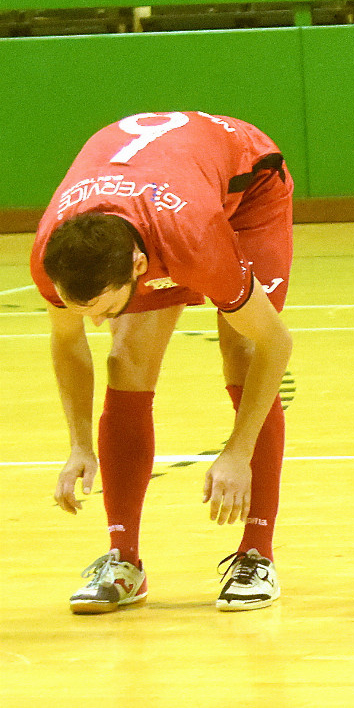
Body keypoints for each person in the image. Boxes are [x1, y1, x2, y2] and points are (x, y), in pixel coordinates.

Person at [35, 111, 294, 614]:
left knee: (242, 349)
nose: (94, 321)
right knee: (125, 358)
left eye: (103, 307)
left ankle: (256, 554)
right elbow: (68, 342)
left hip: (247, 187)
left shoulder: (194, 241)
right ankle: (123, 560)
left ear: (139, 267)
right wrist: (79, 444)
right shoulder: (53, 253)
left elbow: (275, 344)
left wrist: (238, 452)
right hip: (158, 193)